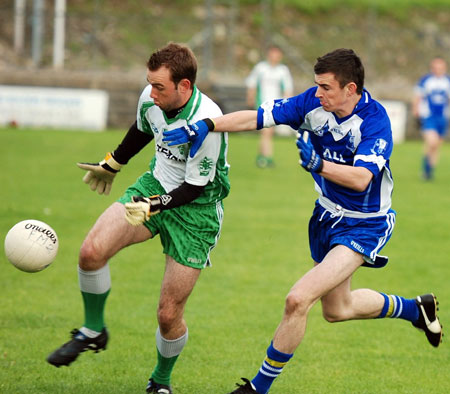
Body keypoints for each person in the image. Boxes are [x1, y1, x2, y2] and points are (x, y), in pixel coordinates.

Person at [162, 48, 443, 394]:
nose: (318, 93)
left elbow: (361, 179)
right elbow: (258, 117)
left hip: (364, 223)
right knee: (338, 309)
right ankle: (416, 309)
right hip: (325, 216)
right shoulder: (313, 103)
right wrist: (205, 126)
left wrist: (319, 165)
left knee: (298, 299)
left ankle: (258, 388)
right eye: (317, 86)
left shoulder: (374, 120)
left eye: (326, 87)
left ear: (350, 89)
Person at [46, 42, 230, 394]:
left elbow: (192, 188)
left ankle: (160, 382)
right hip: (155, 185)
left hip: (196, 212)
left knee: (168, 315)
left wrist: (153, 206)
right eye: (150, 83)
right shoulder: (151, 97)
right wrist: (113, 163)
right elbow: (144, 127)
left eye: (160, 86)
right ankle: (93, 329)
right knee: (91, 252)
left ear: (185, 86)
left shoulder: (208, 121)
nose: (152, 92)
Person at [246, 45, 293, 168]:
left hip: (276, 106)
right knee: (267, 132)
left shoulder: (283, 71)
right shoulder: (261, 68)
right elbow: (252, 84)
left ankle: (262, 157)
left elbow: (287, 90)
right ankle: (267, 158)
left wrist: (287, 106)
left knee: (267, 132)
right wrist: (250, 98)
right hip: (261, 104)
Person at [412, 56, 450, 180]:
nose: (438, 69)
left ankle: (429, 172)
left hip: (443, 118)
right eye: (436, 67)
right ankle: (426, 169)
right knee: (432, 142)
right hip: (429, 116)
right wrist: (416, 110)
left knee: (436, 146)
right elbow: (418, 97)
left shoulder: (447, 81)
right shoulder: (426, 80)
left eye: (440, 67)